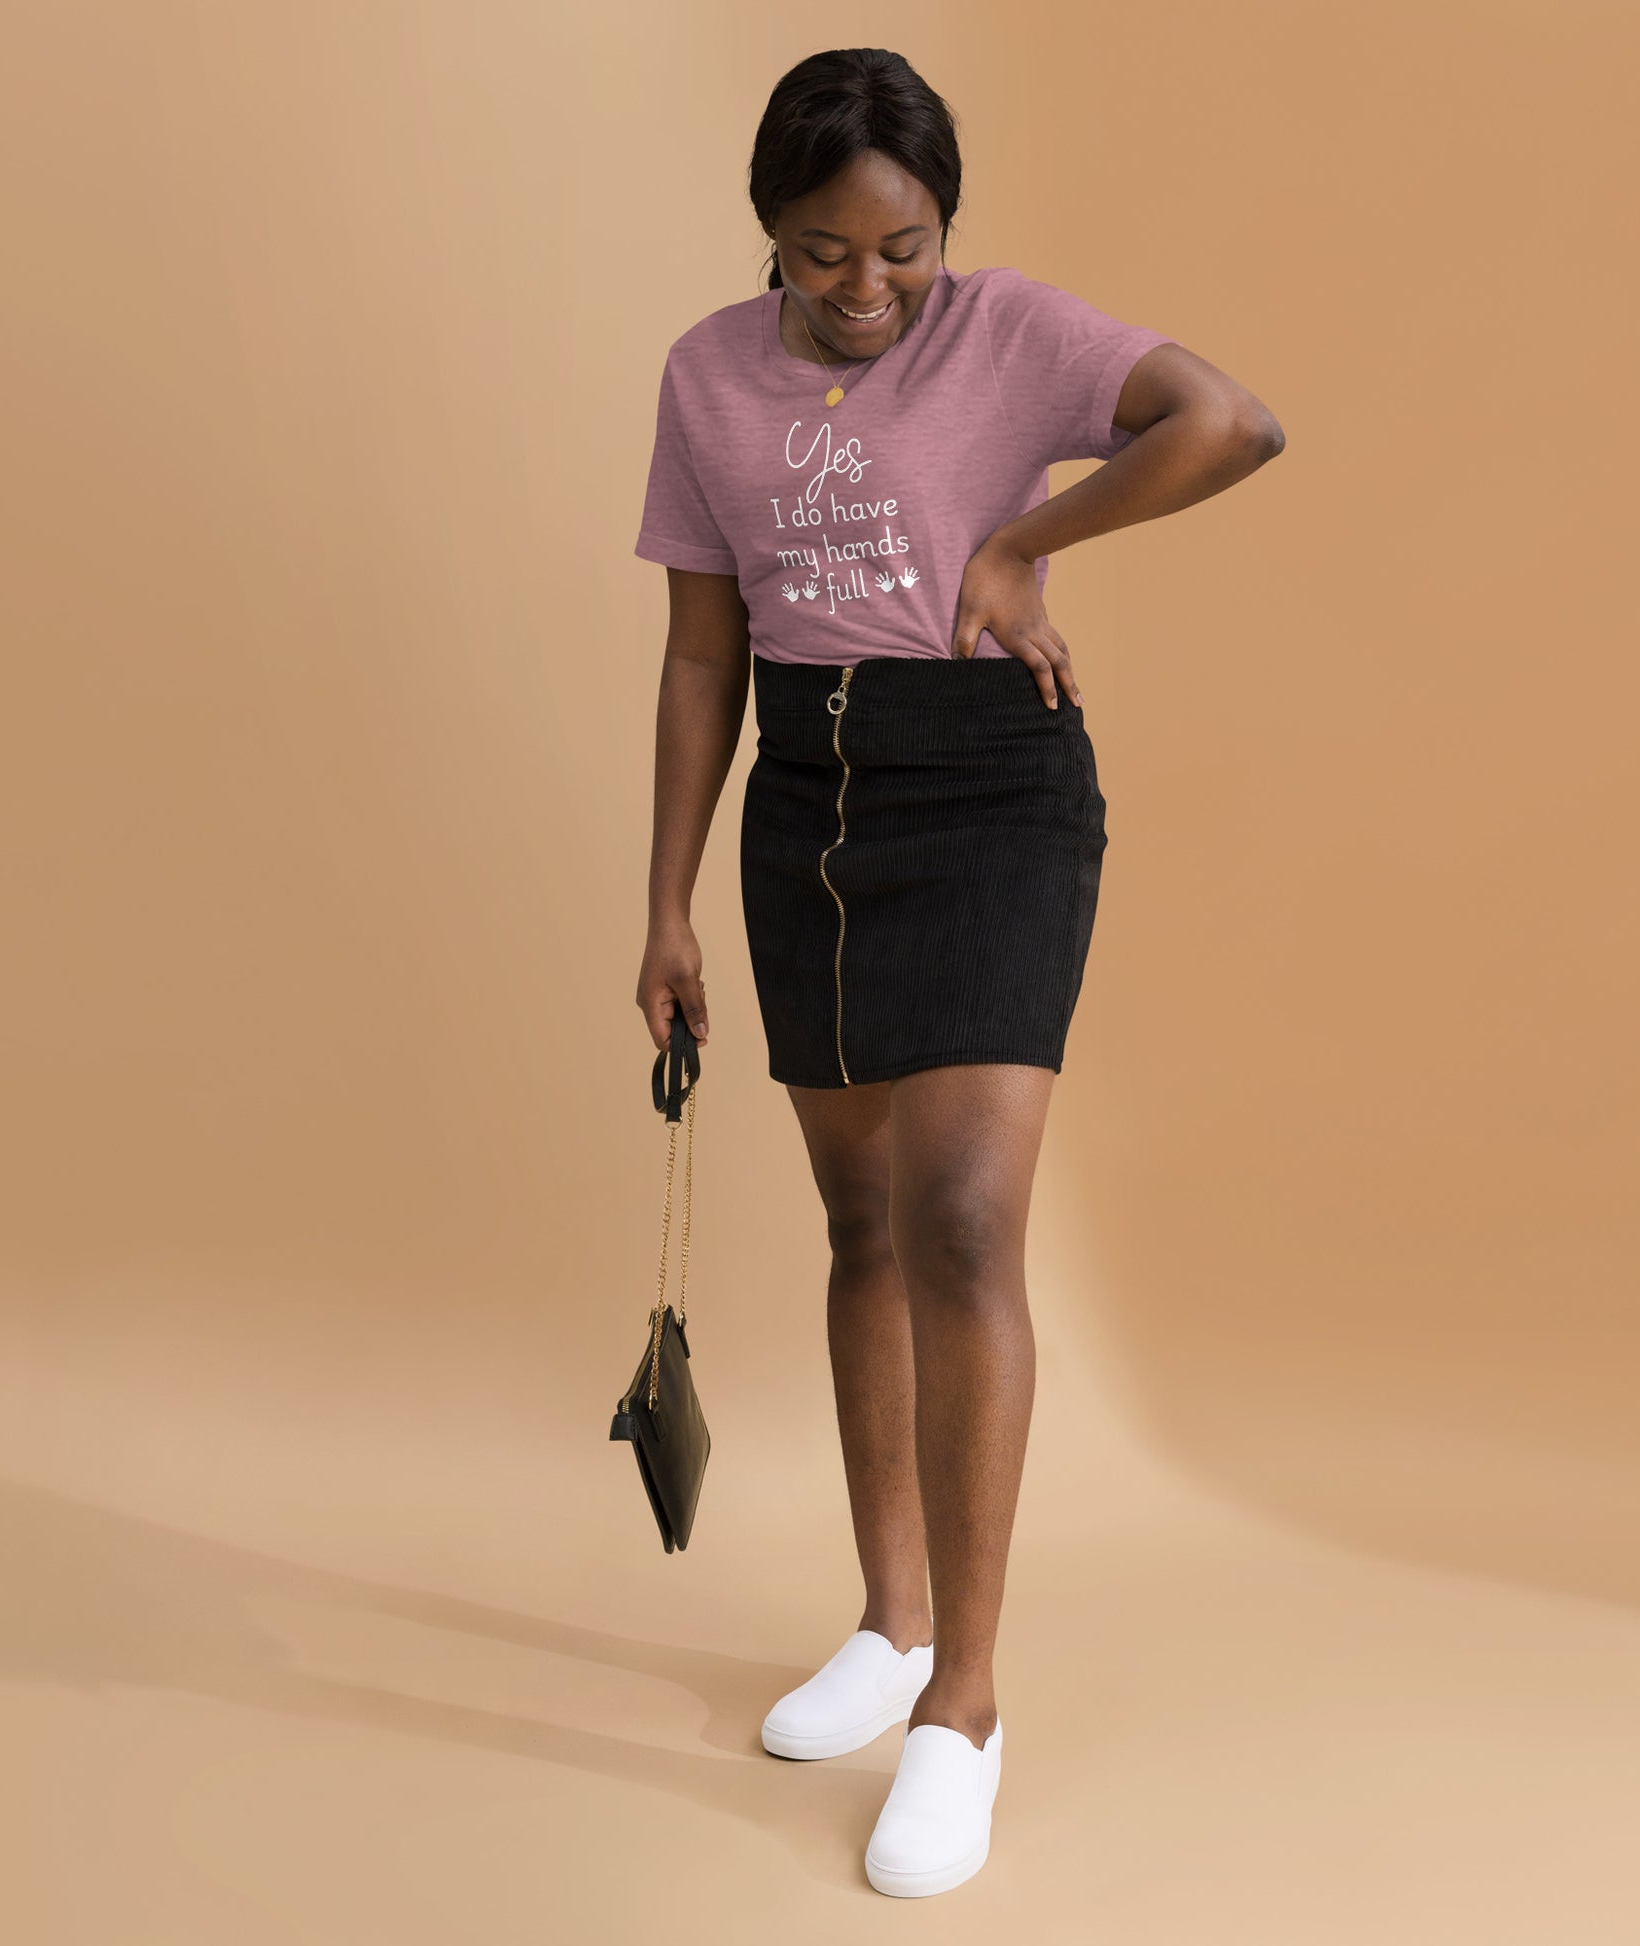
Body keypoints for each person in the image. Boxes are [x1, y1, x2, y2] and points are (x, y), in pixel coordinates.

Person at [632, 47, 1283, 1899]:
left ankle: (965, 1711)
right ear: (768, 230)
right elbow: (699, 656)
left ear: (947, 232)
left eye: (900, 252)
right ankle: (891, 1623)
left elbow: (1230, 420)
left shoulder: (1009, 332)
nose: (863, 294)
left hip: (991, 784)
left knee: (967, 1222)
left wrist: (1024, 539)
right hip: (807, 799)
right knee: (858, 1232)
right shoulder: (703, 376)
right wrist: (667, 905)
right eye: (822, 255)